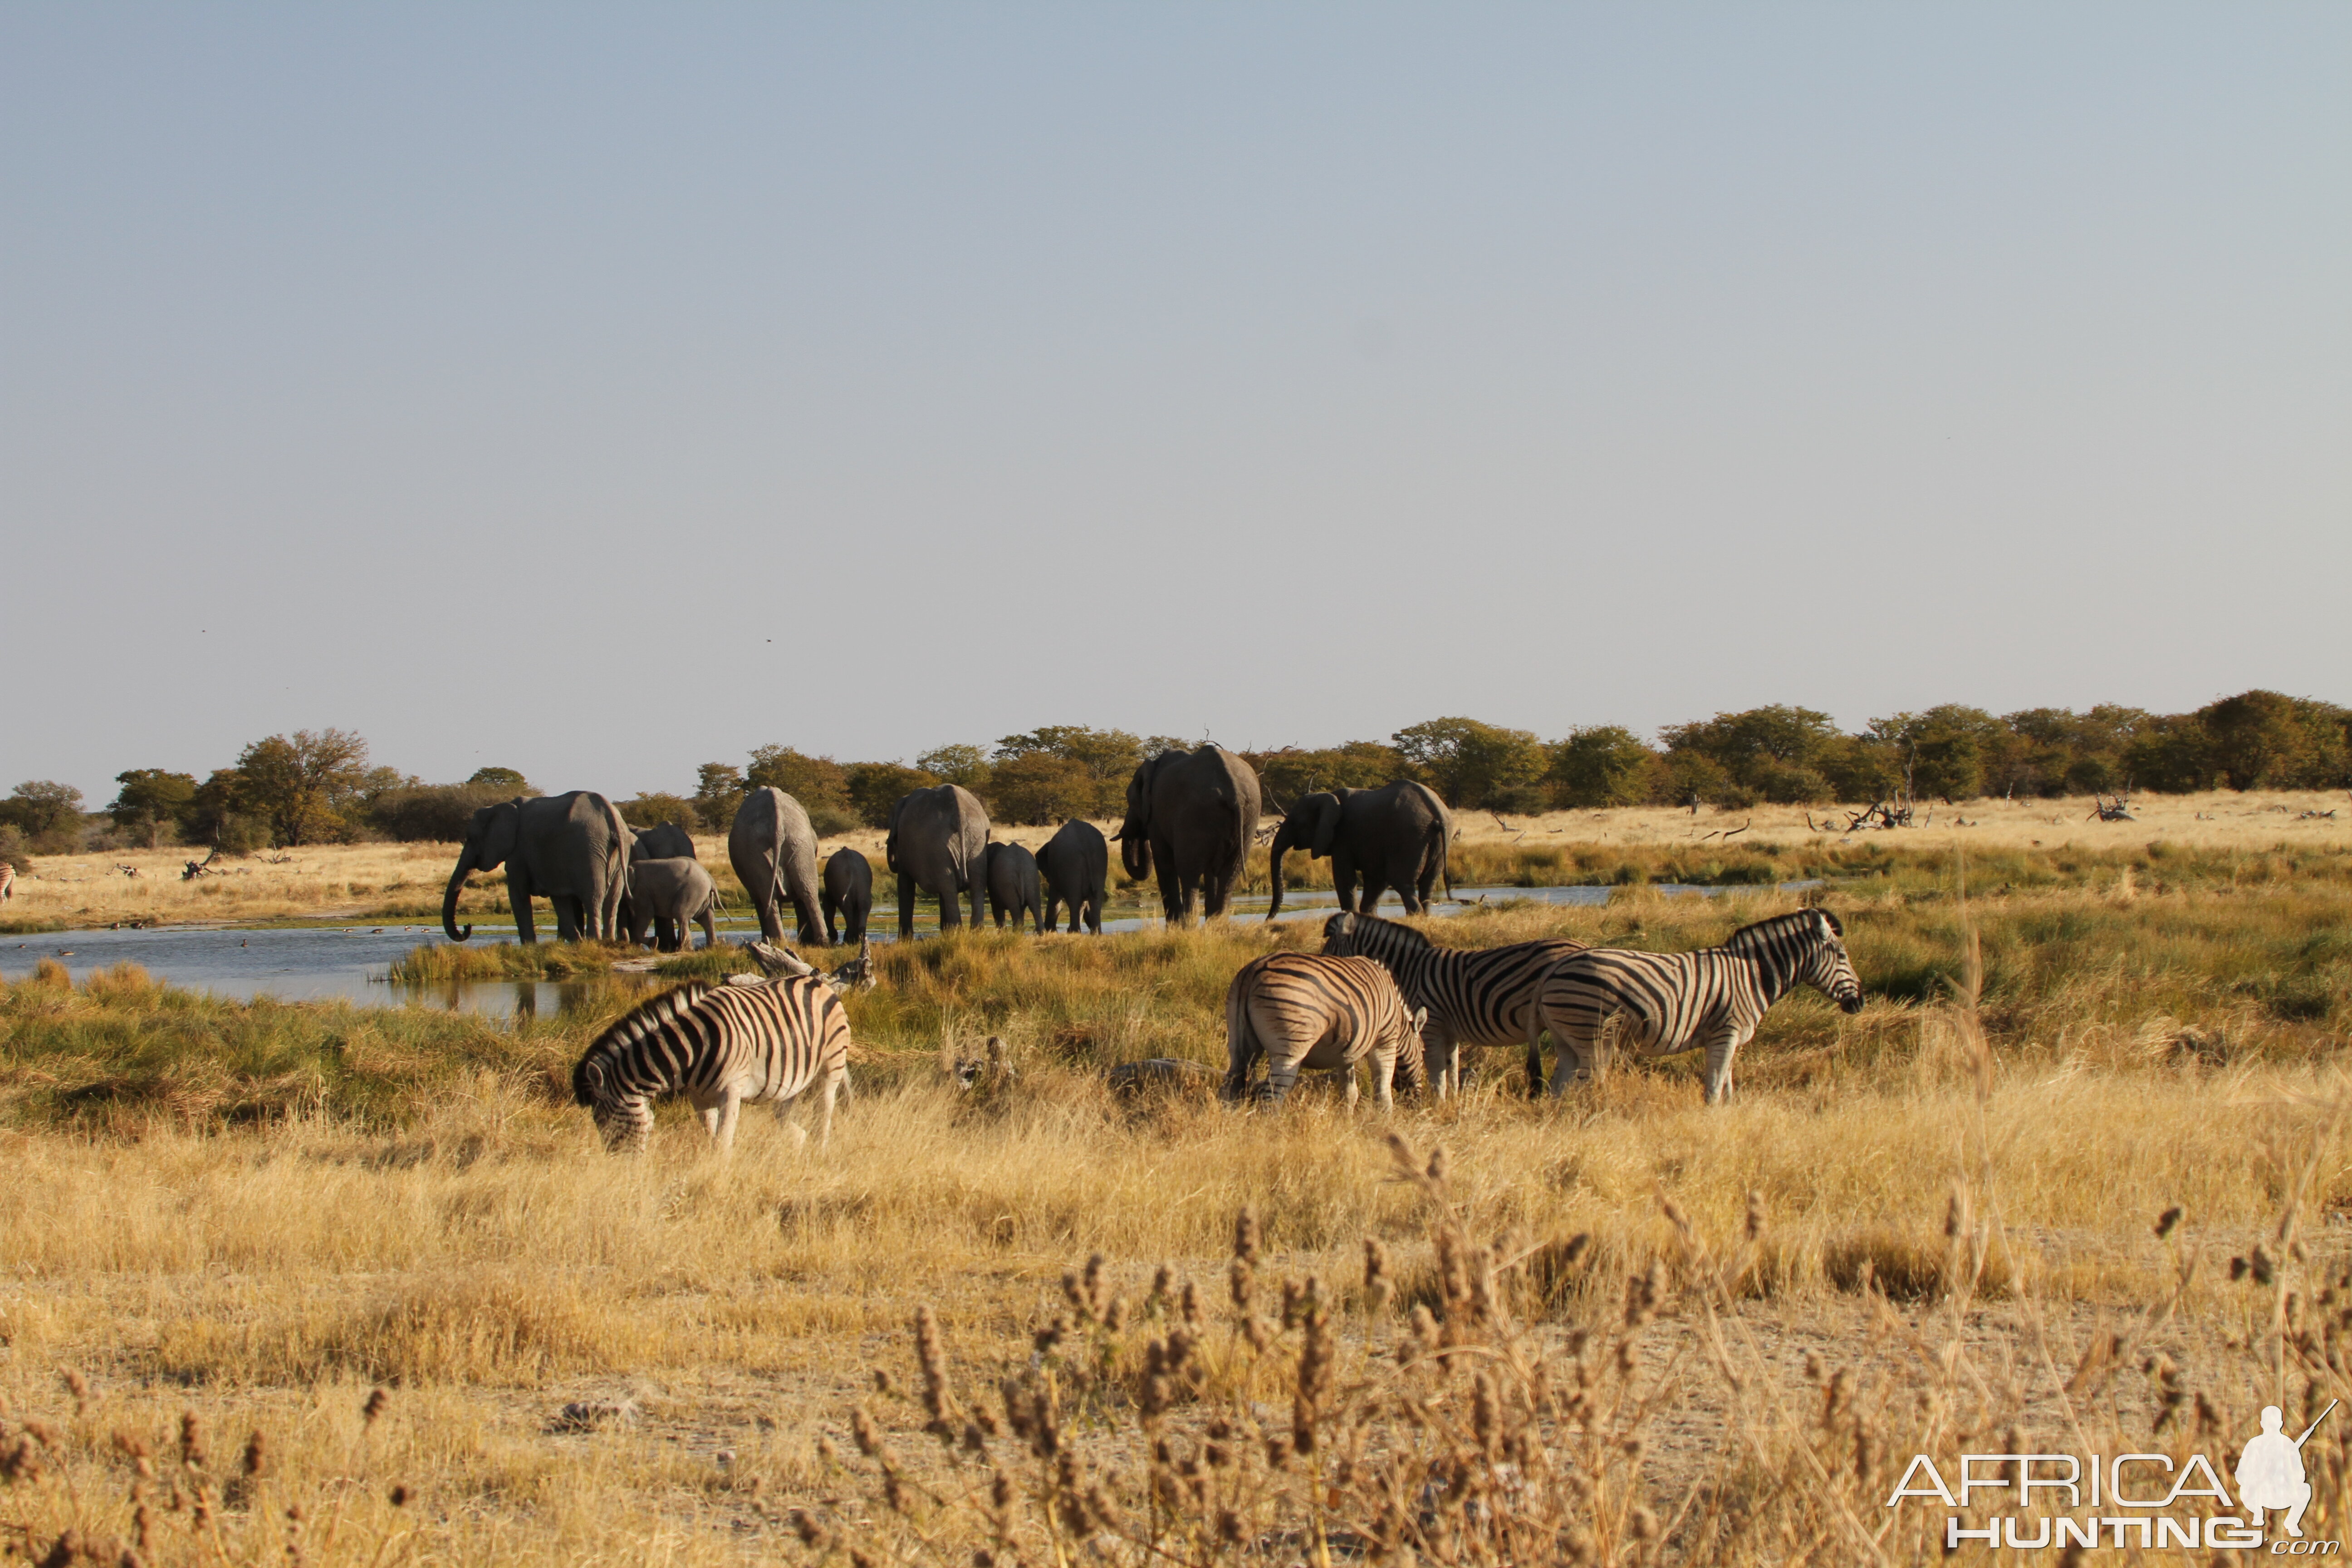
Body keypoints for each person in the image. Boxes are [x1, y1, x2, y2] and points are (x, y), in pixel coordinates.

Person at [2238, 1406, 2313, 1538]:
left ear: (2281, 1424)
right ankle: (2257, 1516)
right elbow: (2240, 1475)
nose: (2271, 1427)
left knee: (2305, 1489)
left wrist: (2287, 1471)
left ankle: (2292, 1523)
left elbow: (2300, 1475)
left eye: (2274, 1424)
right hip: (2256, 1497)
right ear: (2262, 1424)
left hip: (2282, 1494)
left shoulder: (2288, 1445)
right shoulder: (2254, 1444)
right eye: (2268, 1424)